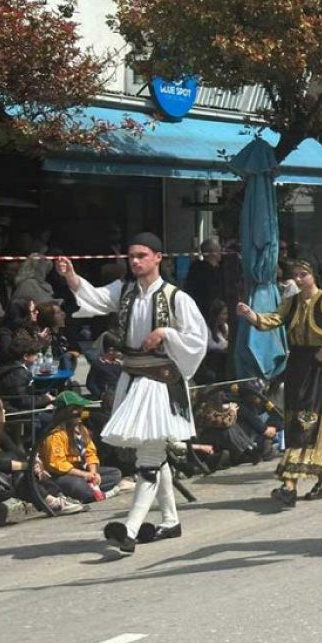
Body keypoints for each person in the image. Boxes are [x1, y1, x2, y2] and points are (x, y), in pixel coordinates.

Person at [55, 232, 208, 554]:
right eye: (132, 256)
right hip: (133, 378)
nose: (135, 261)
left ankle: (130, 528)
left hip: (161, 381)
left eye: (141, 255)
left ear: (157, 258)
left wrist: (166, 332)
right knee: (152, 450)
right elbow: (93, 298)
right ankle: (169, 519)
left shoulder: (176, 297)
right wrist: (70, 275)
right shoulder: (123, 291)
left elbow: (197, 340)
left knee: (149, 456)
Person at [238, 259, 322, 506]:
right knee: (296, 424)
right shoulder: (291, 302)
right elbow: (273, 320)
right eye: (296, 275)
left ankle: (288, 485)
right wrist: (252, 316)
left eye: (304, 274)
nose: (299, 279)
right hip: (298, 368)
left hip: (321, 371)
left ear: (313, 276)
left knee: (308, 425)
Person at [0, 395, 85, 519]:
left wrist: (34, 464)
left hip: (6, 480)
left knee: (31, 469)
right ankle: (51, 502)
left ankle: (59, 496)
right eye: (0, 409)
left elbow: (18, 454)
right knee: (22, 474)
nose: (4, 411)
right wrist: (25, 465)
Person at [38, 391, 125, 503]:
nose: (80, 412)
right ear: (65, 412)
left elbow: (90, 453)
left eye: (80, 408)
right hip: (64, 475)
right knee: (77, 485)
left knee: (115, 473)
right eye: (75, 409)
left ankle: (92, 491)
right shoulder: (54, 434)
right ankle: (94, 493)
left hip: (83, 470)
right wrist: (84, 475)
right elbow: (57, 464)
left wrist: (93, 472)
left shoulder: (81, 429)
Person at [184, 239, 225, 322]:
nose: (221, 252)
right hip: (206, 315)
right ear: (213, 252)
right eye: (219, 250)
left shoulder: (217, 270)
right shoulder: (202, 273)